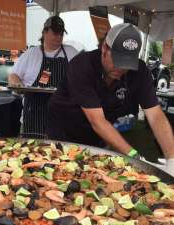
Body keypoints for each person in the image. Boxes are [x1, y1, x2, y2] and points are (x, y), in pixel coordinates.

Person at [47, 23, 174, 175]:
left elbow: (156, 115)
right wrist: (135, 156)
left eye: (127, 63)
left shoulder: (140, 72)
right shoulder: (82, 65)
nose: (121, 68)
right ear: (104, 48)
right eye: (117, 60)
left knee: (96, 176)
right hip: (64, 132)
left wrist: (172, 158)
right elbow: (97, 121)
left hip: (99, 137)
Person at [8, 15, 78, 138]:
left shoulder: (71, 52)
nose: (59, 37)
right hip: (33, 117)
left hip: (62, 118)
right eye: (55, 33)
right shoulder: (31, 54)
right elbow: (13, 75)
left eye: (61, 33)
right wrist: (17, 84)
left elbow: (83, 76)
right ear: (44, 32)